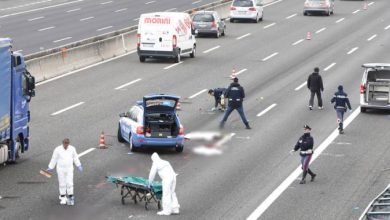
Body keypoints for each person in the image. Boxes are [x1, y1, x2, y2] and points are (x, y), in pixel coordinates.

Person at [47, 138, 82, 206]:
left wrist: (79, 165)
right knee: (62, 183)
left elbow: (75, 157)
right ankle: (63, 197)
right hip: (60, 169)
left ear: (69, 143)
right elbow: (54, 158)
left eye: (67, 144)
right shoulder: (57, 149)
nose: (66, 145)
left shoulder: (72, 149)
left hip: (69, 169)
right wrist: (51, 167)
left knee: (69, 183)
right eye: (65, 144)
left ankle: (71, 197)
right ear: (63, 143)